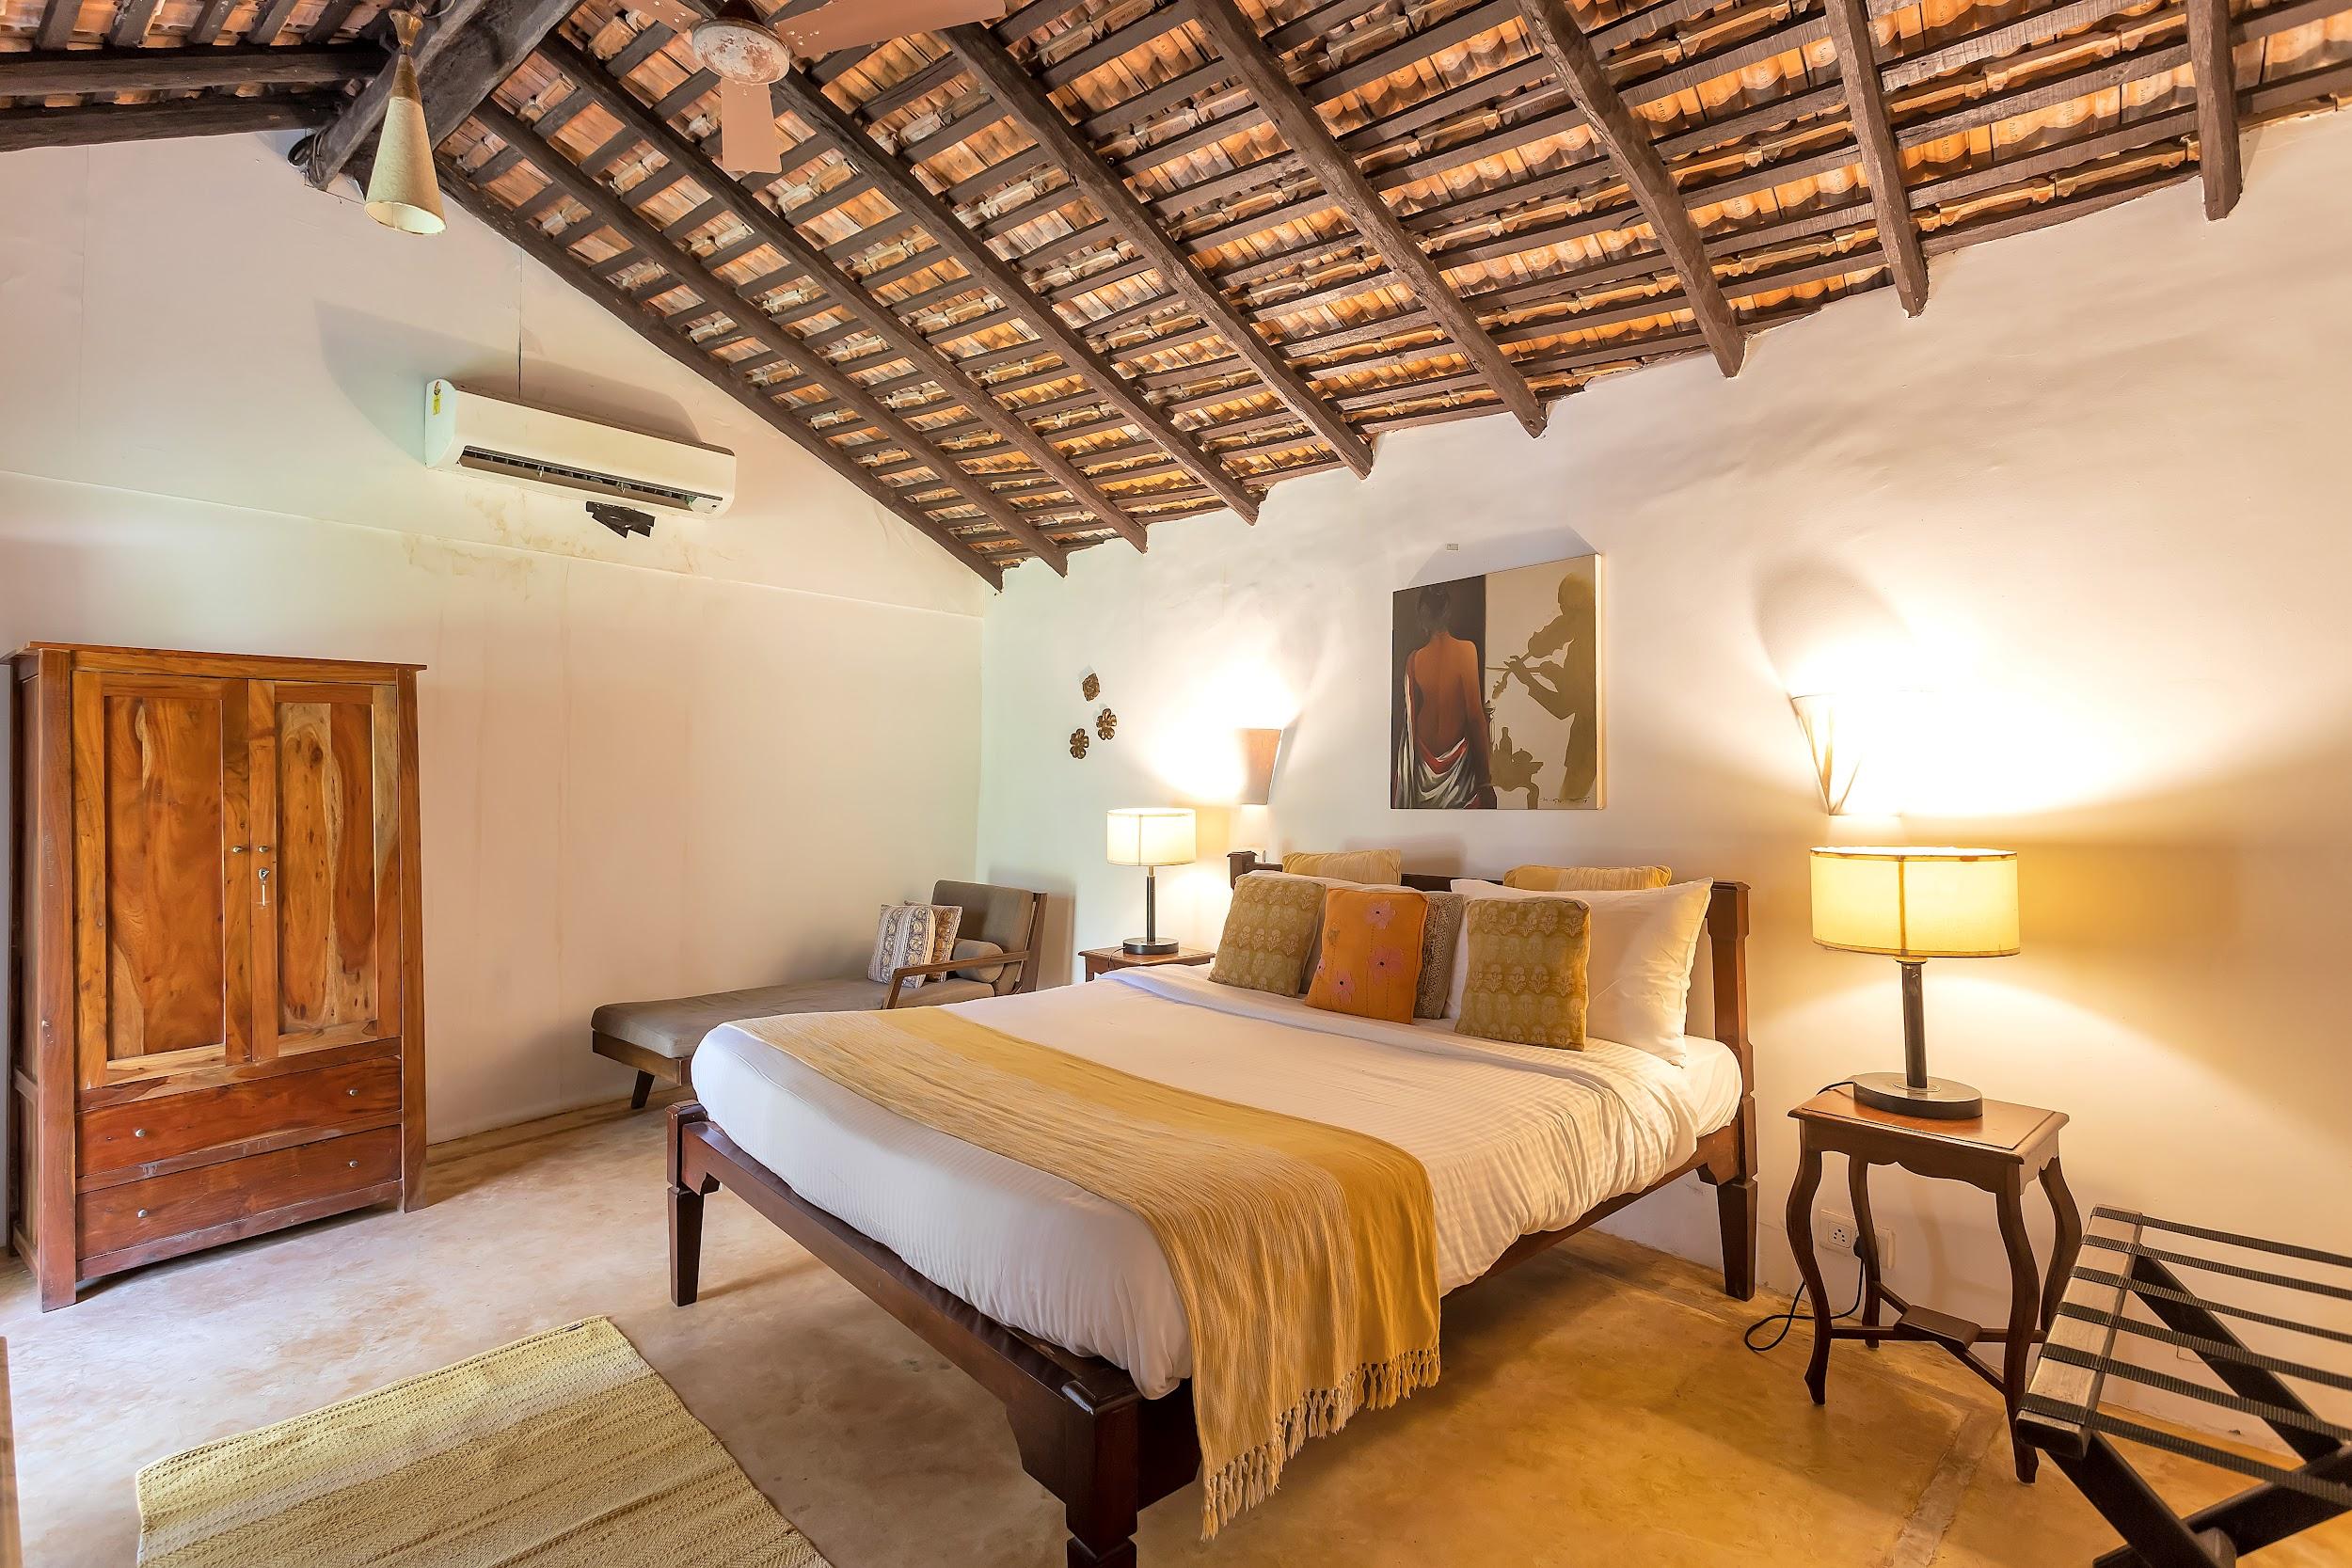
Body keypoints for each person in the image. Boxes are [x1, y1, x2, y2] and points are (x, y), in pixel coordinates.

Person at [1498, 568, 1597, 806]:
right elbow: (1584, 692)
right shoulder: (1597, 636)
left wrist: (1527, 680)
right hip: (1597, 745)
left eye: (1563, 609)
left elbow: (1563, 708)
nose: (1560, 619)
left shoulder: (1580, 649)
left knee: (1570, 807)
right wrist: (1558, 675)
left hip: (1586, 749)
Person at [1393, 580, 1496, 808]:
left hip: (1426, 765)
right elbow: (1475, 717)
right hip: (1445, 765)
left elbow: (1409, 724)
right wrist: (1485, 781)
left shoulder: (1414, 659)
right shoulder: (1467, 651)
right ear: (1448, 612)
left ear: (1422, 616)